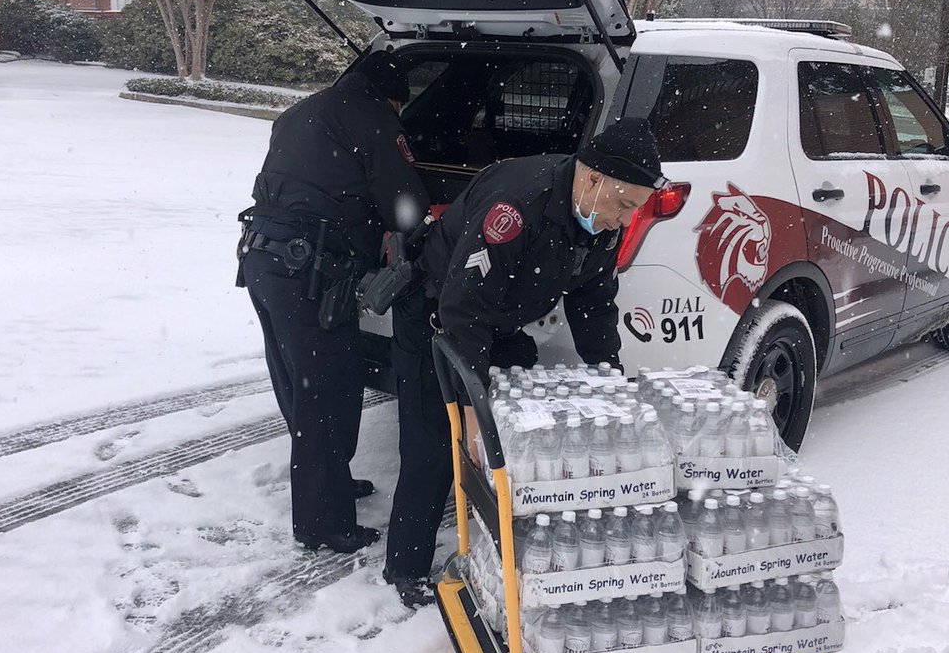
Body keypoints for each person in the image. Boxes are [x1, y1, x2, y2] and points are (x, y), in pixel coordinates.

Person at [385, 119, 664, 607]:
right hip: (439, 313)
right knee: (437, 442)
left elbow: (594, 303)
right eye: (623, 205)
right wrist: (472, 409)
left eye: (634, 210)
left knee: (518, 434)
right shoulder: (517, 205)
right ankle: (405, 568)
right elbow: (461, 307)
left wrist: (613, 380)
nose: (624, 219)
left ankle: (508, 559)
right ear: (594, 178)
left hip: (498, 321)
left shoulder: (597, 221)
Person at [238, 52, 428, 554]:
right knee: (326, 390)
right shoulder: (374, 118)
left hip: (264, 260)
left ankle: (329, 486)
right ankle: (323, 524)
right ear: (390, 98)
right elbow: (404, 205)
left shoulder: (305, 110)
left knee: (300, 384)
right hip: (310, 271)